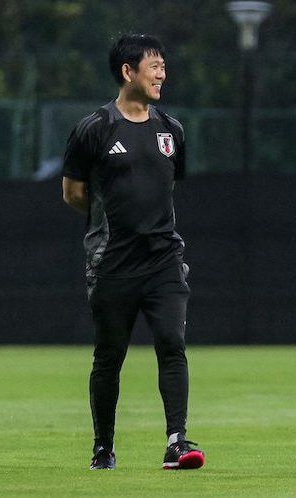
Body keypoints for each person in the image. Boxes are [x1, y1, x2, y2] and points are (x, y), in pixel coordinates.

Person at [61, 33, 204, 471]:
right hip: (114, 263)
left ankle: (177, 443)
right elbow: (72, 192)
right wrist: (111, 221)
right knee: (109, 357)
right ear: (128, 71)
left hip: (163, 258)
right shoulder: (94, 129)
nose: (162, 73)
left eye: (163, 65)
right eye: (154, 65)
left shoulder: (171, 130)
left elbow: (168, 185)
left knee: (171, 343)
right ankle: (103, 448)